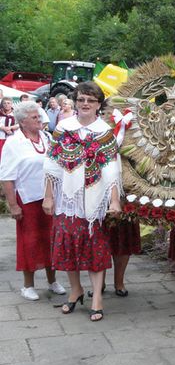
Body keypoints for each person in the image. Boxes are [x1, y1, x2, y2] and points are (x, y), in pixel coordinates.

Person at [43, 81, 122, 322]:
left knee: (94, 249)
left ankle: (97, 296)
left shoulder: (105, 132)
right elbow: (52, 164)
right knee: (68, 246)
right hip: (68, 200)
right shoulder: (63, 128)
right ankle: (75, 290)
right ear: (76, 102)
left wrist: (115, 201)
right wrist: (48, 196)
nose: (85, 104)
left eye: (90, 100)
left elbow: (112, 169)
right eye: (81, 99)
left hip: (94, 202)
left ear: (99, 104)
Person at [0, 101, 66, 300]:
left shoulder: (47, 138)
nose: (40, 119)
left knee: (52, 239)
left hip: (51, 198)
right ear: (22, 122)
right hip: (27, 199)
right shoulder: (14, 143)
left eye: (39, 116)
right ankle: (28, 285)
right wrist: (13, 205)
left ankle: (52, 281)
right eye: (35, 117)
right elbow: (6, 177)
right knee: (30, 241)